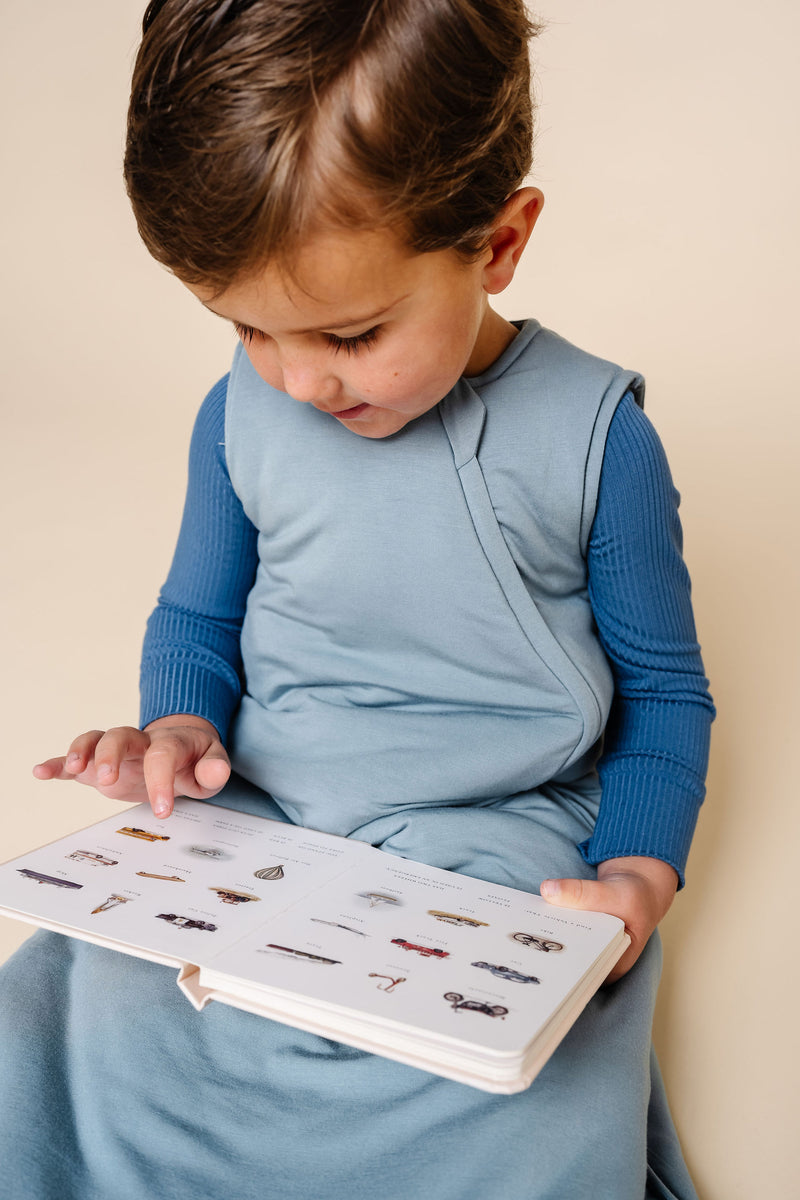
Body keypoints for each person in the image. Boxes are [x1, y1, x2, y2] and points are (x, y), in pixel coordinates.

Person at [2, 1, 714, 1196]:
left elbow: (663, 690)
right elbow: (197, 617)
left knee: (506, 1087)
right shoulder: (242, 409)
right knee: (86, 1015)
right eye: (246, 329)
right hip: (266, 814)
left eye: (350, 332)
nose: (296, 379)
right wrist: (179, 730)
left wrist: (639, 868)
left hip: (492, 843)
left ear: (495, 243)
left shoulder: (599, 441)